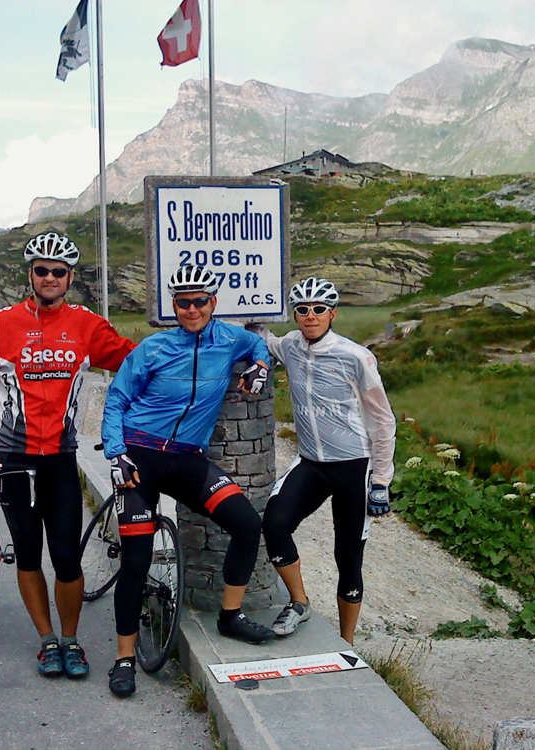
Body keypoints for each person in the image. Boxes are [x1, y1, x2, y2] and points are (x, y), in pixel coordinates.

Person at [0, 232, 136, 680]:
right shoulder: (0, 325)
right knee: (29, 553)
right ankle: (47, 641)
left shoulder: (87, 325)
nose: (51, 277)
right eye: (42, 270)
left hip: (59, 456)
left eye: (60, 271)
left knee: (67, 557)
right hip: (10, 458)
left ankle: (72, 639)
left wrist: (198, 348)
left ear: (71, 277)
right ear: (31, 275)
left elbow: (132, 360)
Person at [101, 265, 274, 697]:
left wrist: (261, 366)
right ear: (172, 305)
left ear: (214, 303)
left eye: (200, 301)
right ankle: (124, 658)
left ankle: (229, 617)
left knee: (248, 525)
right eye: (183, 302)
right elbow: (117, 398)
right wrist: (115, 453)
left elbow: (257, 343)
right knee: (137, 561)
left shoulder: (230, 338)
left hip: (187, 459)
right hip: (139, 456)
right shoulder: (154, 347)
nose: (192, 309)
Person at [250, 277, 396, 645]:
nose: (310, 316)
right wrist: (248, 313)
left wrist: (380, 482)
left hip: (353, 467)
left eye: (318, 309)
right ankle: (299, 603)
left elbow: (383, 420)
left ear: (333, 314)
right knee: (275, 524)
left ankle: (347, 644)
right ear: (294, 314)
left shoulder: (356, 356)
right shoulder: (290, 347)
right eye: (302, 309)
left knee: (348, 558)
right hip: (312, 463)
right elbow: (265, 338)